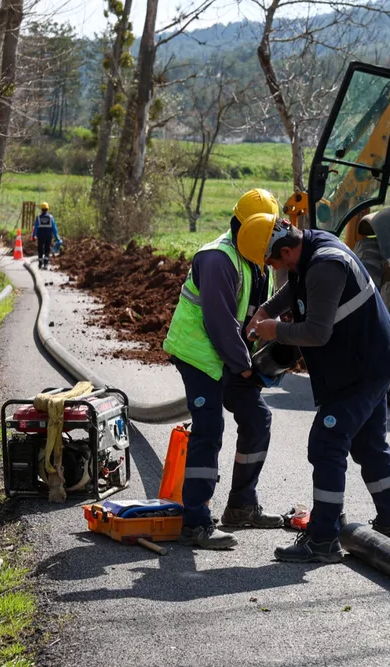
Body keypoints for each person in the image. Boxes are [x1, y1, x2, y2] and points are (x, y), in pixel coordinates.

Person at [237, 217, 390, 564]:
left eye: (273, 262)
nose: (275, 268)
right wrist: (268, 310)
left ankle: (323, 539)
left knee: (327, 442)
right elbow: (296, 289)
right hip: (367, 361)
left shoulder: (326, 266)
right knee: (369, 445)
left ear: (286, 251)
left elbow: (317, 333)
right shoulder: (309, 248)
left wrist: (275, 330)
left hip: (362, 368)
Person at [161, 189, 286, 550]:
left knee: (257, 418)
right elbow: (220, 324)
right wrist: (245, 369)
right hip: (199, 355)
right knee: (209, 427)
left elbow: (253, 314)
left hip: (229, 356)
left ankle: (241, 505)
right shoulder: (218, 259)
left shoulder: (255, 259)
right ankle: (195, 521)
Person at [32, 202, 60, 269]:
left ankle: (40, 263)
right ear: (47, 209)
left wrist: (34, 236)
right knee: (47, 249)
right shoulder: (51, 217)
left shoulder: (38, 218)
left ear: (41, 209)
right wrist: (57, 237)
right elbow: (54, 228)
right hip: (48, 236)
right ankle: (46, 264)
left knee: (40, 249)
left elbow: (35, 227)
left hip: (40, 236)